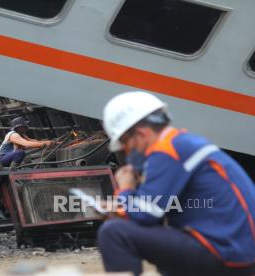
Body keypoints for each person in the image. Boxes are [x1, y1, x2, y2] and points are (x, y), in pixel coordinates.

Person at [97, 91, 255, 275]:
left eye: (125, 142)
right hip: (237, 250)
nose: (126, 150)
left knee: (115, 233)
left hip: (227, 254)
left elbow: (146, 214)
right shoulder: (181, 143)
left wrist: (125, 189)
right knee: (166, 241)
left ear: (141, 134)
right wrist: (119, 208)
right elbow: (157, 208)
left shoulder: (166, 151)